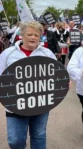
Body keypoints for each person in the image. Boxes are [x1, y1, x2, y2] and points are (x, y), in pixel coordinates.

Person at [0, 21, 57, 149]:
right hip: (15, 104)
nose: (33, 37)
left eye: (36, 35)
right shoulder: (8, 54)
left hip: (41, 103)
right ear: (22, 35)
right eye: (29, 34)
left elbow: (57, 74)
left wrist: (63, 82)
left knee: (39, 134)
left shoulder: (47, 54)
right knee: (15, 140)